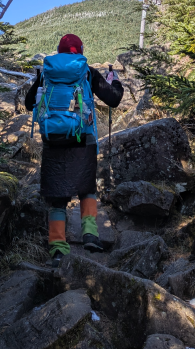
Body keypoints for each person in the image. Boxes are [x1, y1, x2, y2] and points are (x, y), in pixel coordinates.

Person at [25, 33, 123, 267]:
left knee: (57, 197)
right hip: (82, 139)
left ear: (59, 50)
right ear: (80, 50)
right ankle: (90, 235)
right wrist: (115, 81)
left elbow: (29, 104)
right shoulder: (86, 71)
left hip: (53, 140)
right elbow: (114, 99)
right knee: (86, 188)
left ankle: (58, 248)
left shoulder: (47, 72)